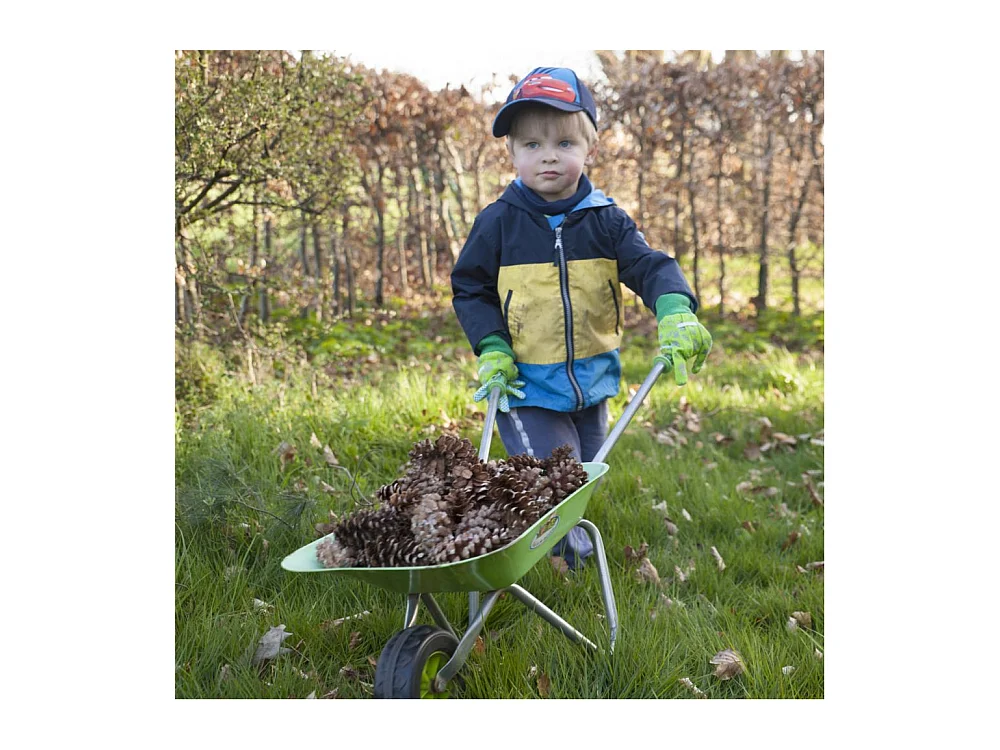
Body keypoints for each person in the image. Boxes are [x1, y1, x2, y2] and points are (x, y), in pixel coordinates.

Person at [451, 67, 712, 568]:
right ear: (511, 153)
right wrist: (492, 347)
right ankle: (566, 567)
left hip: (592, 382)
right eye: (531, 144)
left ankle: (560, 550)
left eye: (565, 142)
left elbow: (648, 265)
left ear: (589, 148)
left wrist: (675, 307)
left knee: (582, 476)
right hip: (525, 384)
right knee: (555, 480)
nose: (548, 155)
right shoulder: (498, 223)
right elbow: (471, 288)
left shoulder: (606, 219)